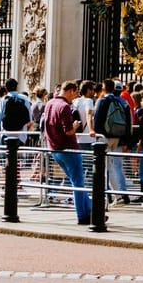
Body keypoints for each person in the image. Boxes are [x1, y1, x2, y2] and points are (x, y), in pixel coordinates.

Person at [42, 80, 91, 224]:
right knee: (78, 183)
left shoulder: (50, 103)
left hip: (55, 148)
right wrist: (75, 126)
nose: (75, 97)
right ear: (70, 91)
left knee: (76, 182)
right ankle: (82, 215)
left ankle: (91, 210)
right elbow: (68, 131)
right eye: (75, 93)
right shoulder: (64, 106)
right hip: (69, 149)